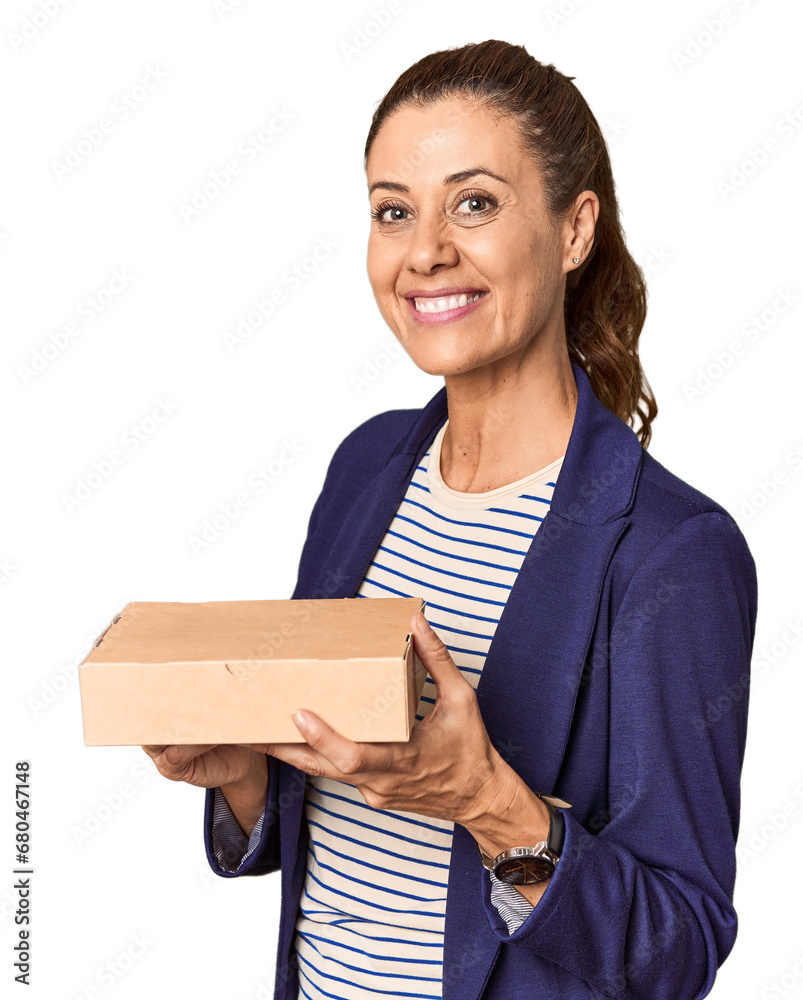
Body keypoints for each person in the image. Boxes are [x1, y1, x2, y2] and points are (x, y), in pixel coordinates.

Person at [143, 39, 758, 1000]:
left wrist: (488, 800)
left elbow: (675, 952)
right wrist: (246, 774)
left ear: (573, 230)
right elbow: (342, 824)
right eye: (395, 211)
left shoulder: (670, 552)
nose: (425, 250)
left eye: (474, 203)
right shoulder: (366, 468)